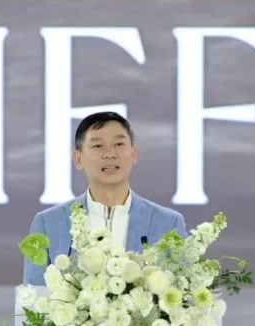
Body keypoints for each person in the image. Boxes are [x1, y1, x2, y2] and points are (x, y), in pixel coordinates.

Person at [23, 111, 187, 286]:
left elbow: (185, 292)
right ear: (78, 159)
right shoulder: (48, 224)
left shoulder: (168, 223)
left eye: (119, 144)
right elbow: (33, 296)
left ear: (133, 153)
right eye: (97, 146)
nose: (110, 153)